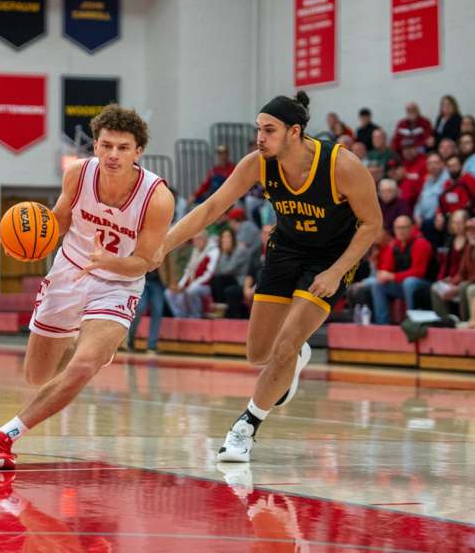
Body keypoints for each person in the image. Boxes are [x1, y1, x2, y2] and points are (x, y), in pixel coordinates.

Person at [156, 91, 382, 462]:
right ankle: (296, 354)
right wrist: (164, 245)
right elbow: (212, 207)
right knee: (258, 353)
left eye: (269, 130)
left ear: (294, 132)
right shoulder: (258, 163)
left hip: (330, 258)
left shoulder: (342, 165)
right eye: (258, 129)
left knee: (283, 346)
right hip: (286, 249)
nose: (259, 138)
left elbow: (373, 223)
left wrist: (337, 270)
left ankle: (243, 429)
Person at [0, 104, 174, 470]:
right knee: (36, 375)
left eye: (122, 147)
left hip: (118, 283)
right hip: (69, 272)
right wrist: (21, 237)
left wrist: (108, 262)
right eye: (106, 146)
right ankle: (86, 341)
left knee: (84, 365)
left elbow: (147, 260)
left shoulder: (157, 198)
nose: (113, 155)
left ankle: (4, 436)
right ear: (95, 147)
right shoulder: (78, 176)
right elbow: (56, 223)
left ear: (138, 152)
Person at [366, 215, 433, 324]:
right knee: (377, 284)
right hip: (403, 284)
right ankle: (382, 323)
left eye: (404, 227)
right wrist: (382, 273)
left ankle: (412, 321)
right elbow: (387, 269)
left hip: (425, 284)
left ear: (412, 228)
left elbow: (419, 272)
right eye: (397, 228)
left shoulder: (421, 243)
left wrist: (392, 276)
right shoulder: (395, 245)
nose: (400, 231)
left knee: (409, 282)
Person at [126, 250, 176, 354]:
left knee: (157, 311)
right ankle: (130, 339)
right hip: (140, 279)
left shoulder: (164, 237)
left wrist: (172, 281)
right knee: (139, 308)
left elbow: (170, 260)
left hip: (158, 282)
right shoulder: (141, 236)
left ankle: (152, 346)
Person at [164, 230, 218, 318]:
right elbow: (188, 271)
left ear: (204, 239)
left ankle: (195, 315)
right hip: (193, 284)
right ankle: (180, 316)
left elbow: (209, 274)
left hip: (207, 286)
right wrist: (180, 285)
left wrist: (191, 285)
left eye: (198, 239)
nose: (195, 242)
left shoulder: (213, 251)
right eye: (194, 240)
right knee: (169, 292)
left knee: (191, 290)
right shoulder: (196, 251)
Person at [210, 228, 250, 318]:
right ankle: (221, 307)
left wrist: (223, 253)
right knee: (214, 280)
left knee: (220, 279)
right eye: (223, 237)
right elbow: (216, 271)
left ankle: (222, 309)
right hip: (227, 280)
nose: (225, 239)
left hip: (239, 281)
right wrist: (222, 253)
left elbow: (228, 269)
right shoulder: (222, 252)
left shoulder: (240, 250)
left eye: (228, 236)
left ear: (233, 238)